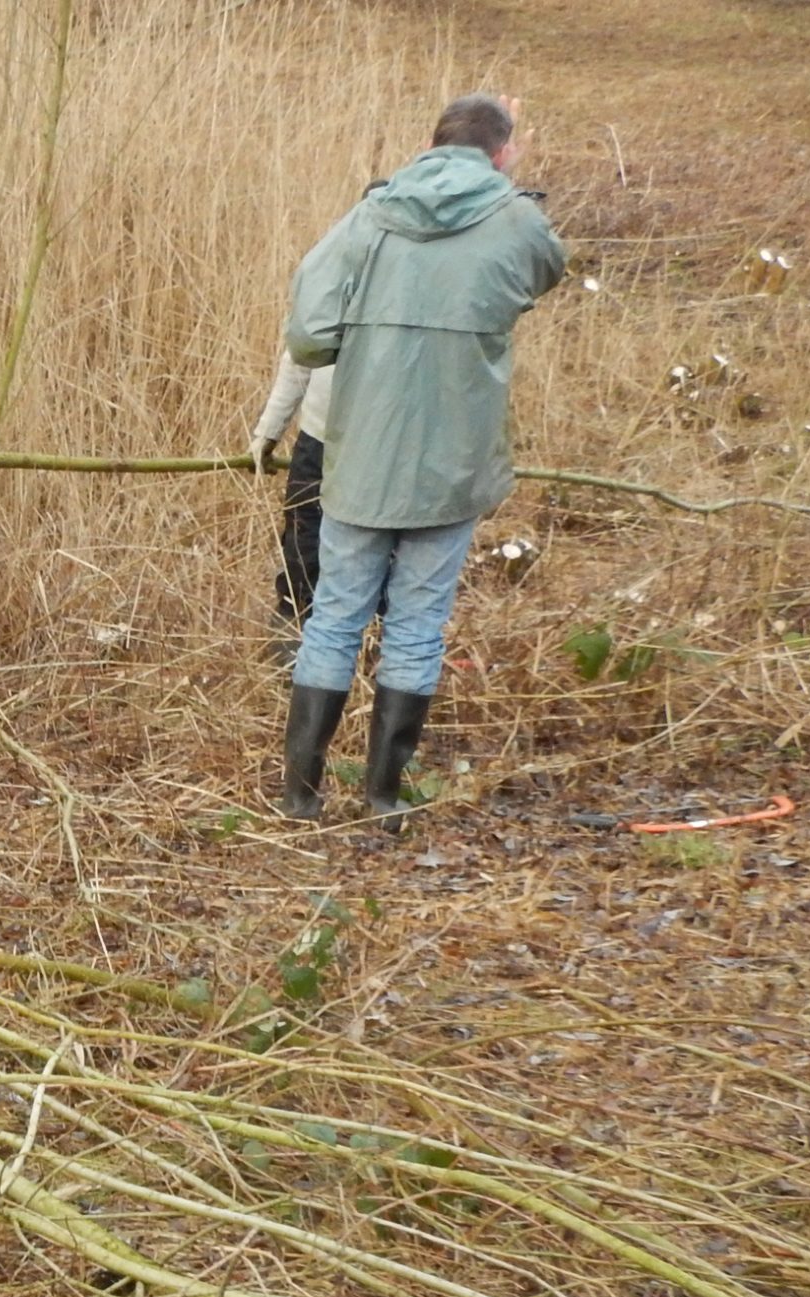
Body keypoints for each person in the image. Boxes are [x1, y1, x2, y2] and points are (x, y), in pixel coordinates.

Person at [278, 92, 566, 826]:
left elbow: (310, 334)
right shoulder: (516, 218)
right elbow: (544, 274)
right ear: (502, 151)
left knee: (335, 618)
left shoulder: (371, 214)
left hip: (363, 453)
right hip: (453, 462)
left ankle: (302, 795)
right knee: (416, 623)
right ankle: (381, 796)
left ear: (433, 144)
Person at [248, 351, 333, 628]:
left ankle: (373, 638)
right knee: (304, 538)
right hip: (320, 437)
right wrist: (269, 430)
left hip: (395, 444)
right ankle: (295, 623)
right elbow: (302, 351)